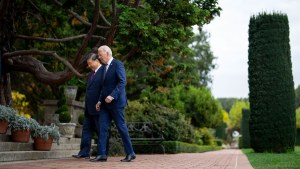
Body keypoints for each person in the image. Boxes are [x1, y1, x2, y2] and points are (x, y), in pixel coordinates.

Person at [90, 45, 135, 162]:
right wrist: (99, 100)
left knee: (121, 128)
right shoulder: (104, 67)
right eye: (98, 55)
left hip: (117, 104)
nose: (99, 57)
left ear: (108, 53)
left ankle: (130, 153)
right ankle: (102, 154)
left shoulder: (118, 64)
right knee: (103, 128)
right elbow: (103, 87)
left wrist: (112, 95)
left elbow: (122, 82)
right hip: (105, 105)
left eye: (100, 55)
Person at [72, 53, 103, 159]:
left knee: (100, 130)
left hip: (98, 108)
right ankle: (84, 152)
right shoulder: (91, 74)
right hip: (89, 108)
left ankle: (101, 153)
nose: (89, 66)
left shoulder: (104, 72)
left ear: (97, 61)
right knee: (86, 130)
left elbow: (104, 90)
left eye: (90, 63)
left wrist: (100, 102)